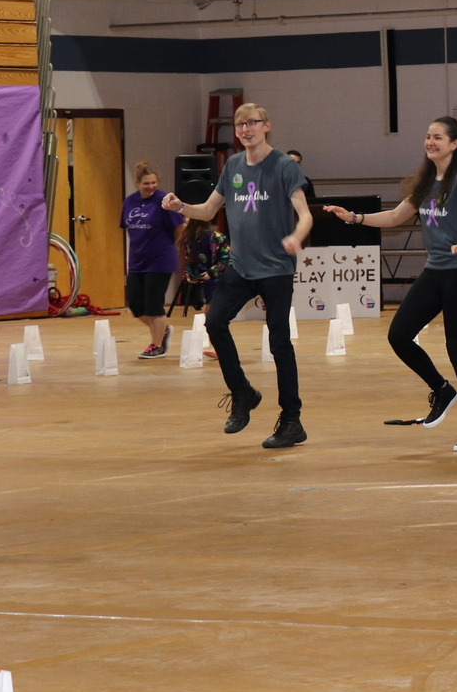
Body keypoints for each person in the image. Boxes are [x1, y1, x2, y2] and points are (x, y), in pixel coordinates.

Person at [329, 116, 457, 453]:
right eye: (427, 136)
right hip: (436, 271)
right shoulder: (425, 182)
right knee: (399, 334)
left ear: (453, 144)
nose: (430, 141)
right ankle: (442, 389)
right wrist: (356, 218)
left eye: (437, 137)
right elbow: (394, 217)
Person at [161, 103, 314, 449]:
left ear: (267, 126)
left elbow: (304, 213)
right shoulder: (232, 165)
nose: (246, 129)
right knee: (214, 323)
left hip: (275, 269)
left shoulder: (284, 166)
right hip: (242, 266)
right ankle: (243, 393)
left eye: (253, 123)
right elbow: (209, 209)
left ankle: (292, 420)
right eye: (241, 125)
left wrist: (296, 236)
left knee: (279, 344)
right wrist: (180, 207)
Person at [123, 161, 186, 359]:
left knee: (153, 304)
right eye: (146, 183)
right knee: (135, 304)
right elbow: (127, 226)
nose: (150, 187)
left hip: (160, 260)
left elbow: (180, 228)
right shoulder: (130, 201)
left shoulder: (164, 201)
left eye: (153, 183)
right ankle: (163, 330)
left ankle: (156, 345)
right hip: (137, 260)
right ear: (137, 182)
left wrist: (170, 247)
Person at [179, 218, 229, 358]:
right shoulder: (190, 239)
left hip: (221, 281)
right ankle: (218, 348)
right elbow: (189, 260)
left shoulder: (218, 238)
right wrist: (189, 275)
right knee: (211, 317)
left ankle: (219, 348)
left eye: (186, 219)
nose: (183, 222)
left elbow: (225, 259)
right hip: (208, 283)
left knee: (213, 317)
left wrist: (211, 273)